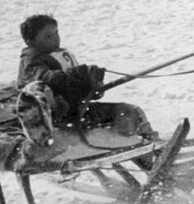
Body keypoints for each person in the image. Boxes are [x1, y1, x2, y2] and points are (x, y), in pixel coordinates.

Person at [16, 14, 156, 138]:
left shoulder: (59, 55)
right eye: (48, 36)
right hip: (56, 119)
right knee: (123, 114)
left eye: (56, 33)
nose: (56, 38)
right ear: (31, 42)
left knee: (130, 111)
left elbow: (72, 85)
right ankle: (141, 147)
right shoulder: (31, 61)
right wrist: (81, 74)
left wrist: (93, 85)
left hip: (77, 110)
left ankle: (149, 144)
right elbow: (48, 79)